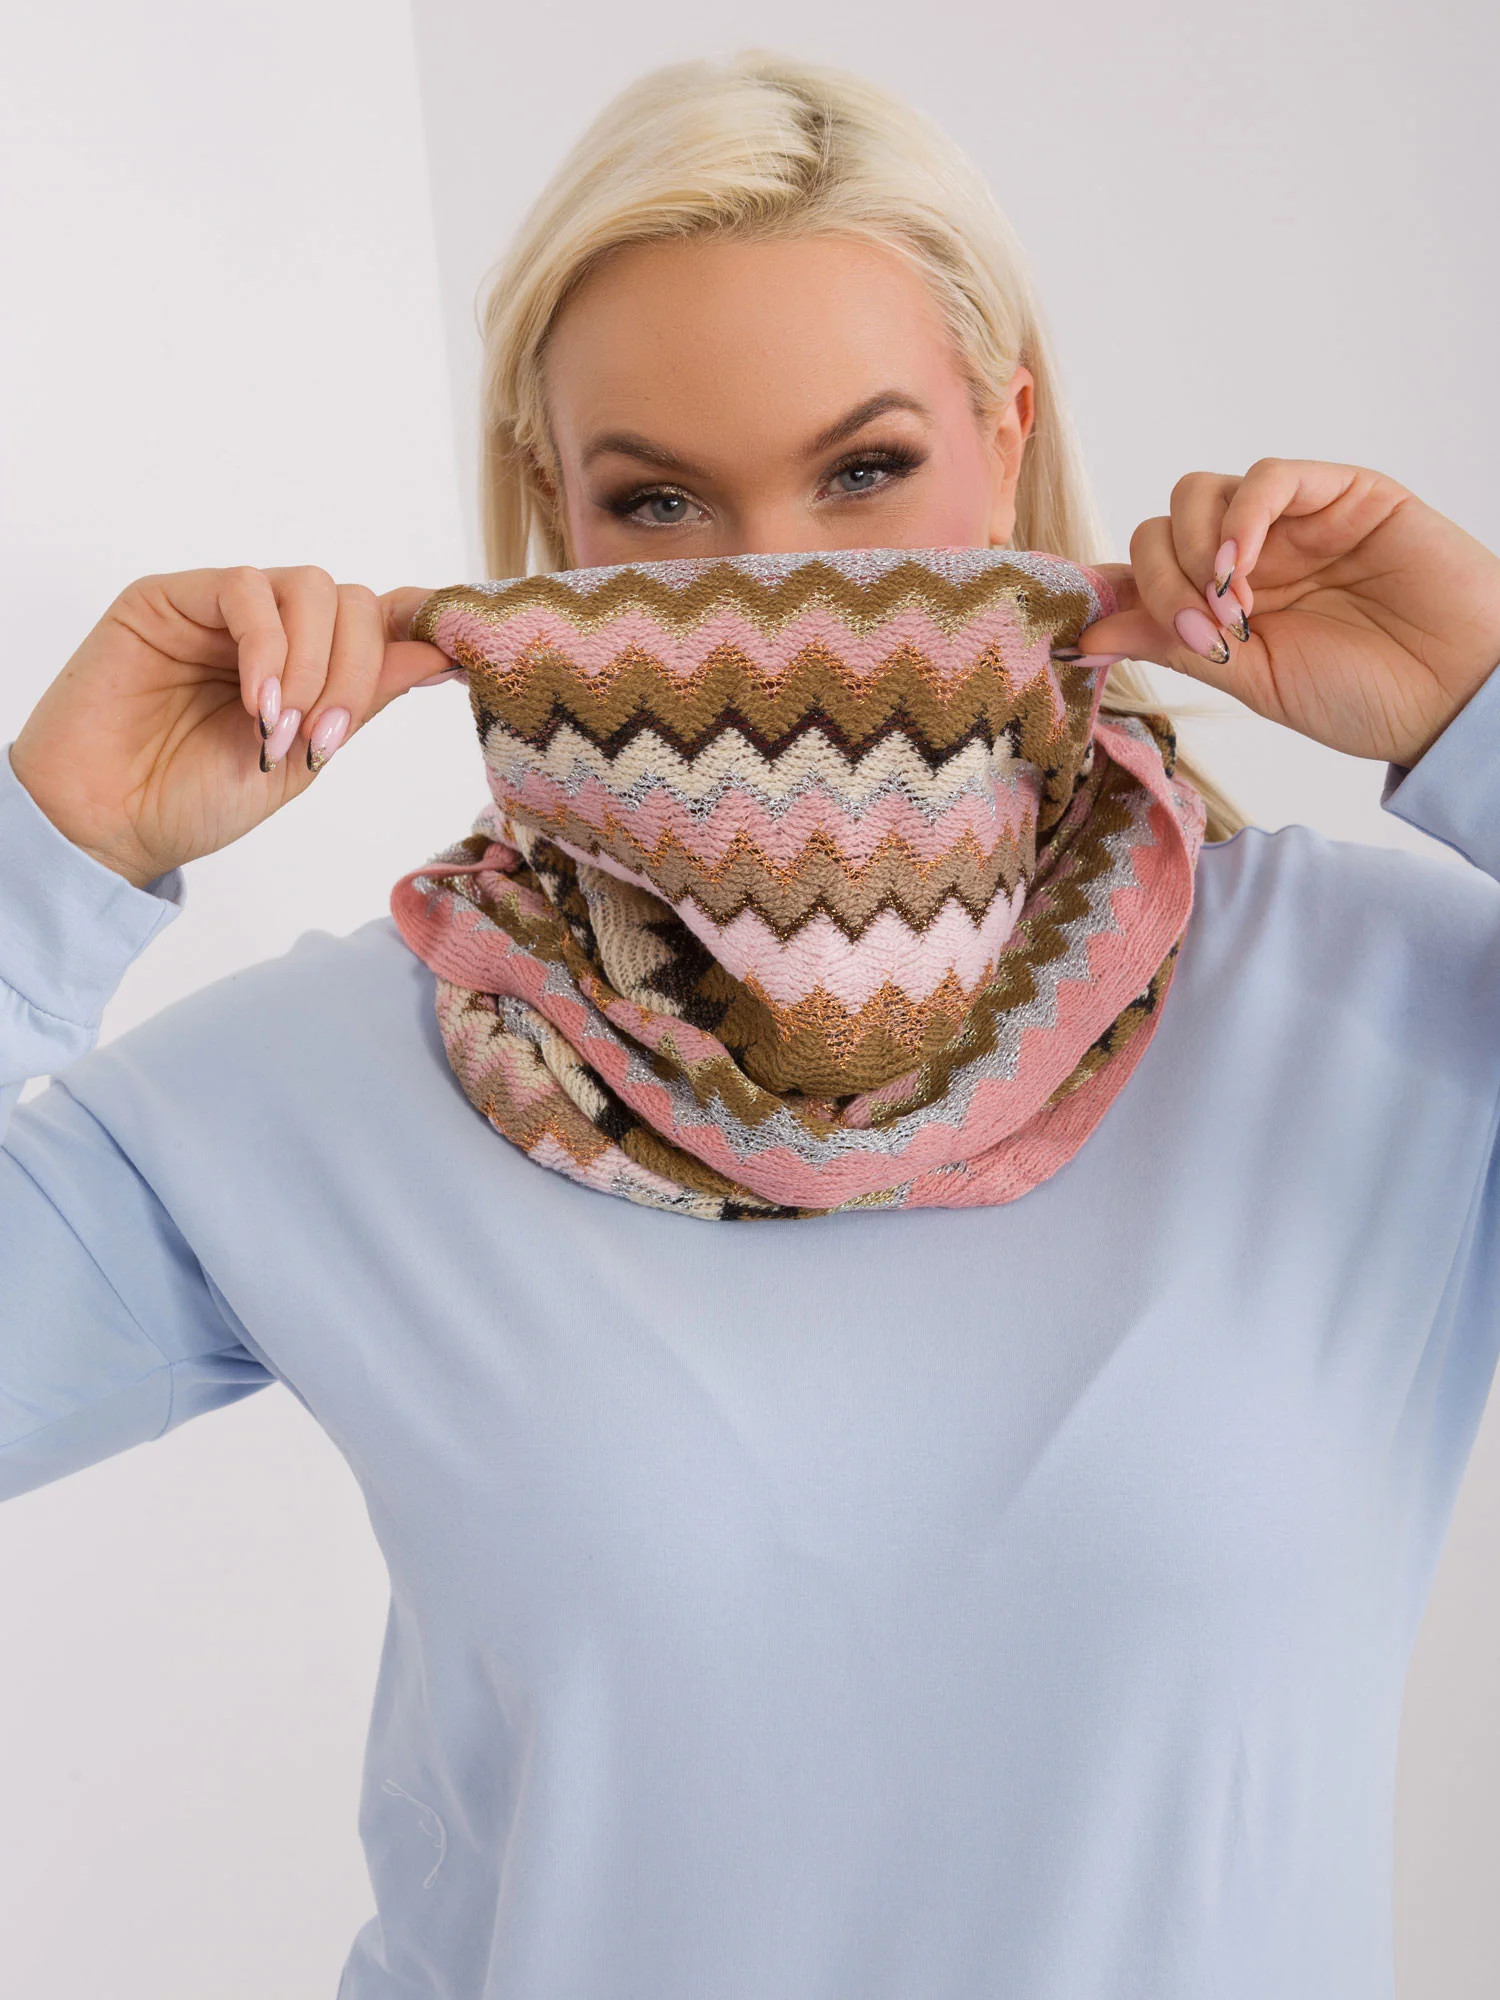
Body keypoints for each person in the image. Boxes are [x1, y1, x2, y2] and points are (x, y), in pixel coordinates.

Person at [5, 45, 1500, 2000]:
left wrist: (1487, 698)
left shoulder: (1376, 1015)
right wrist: (55, 844)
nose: (776, 590)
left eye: (865, 469)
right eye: (658, 499)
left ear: (1007, 433)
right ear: (554, 515)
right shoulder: (334, 1083)